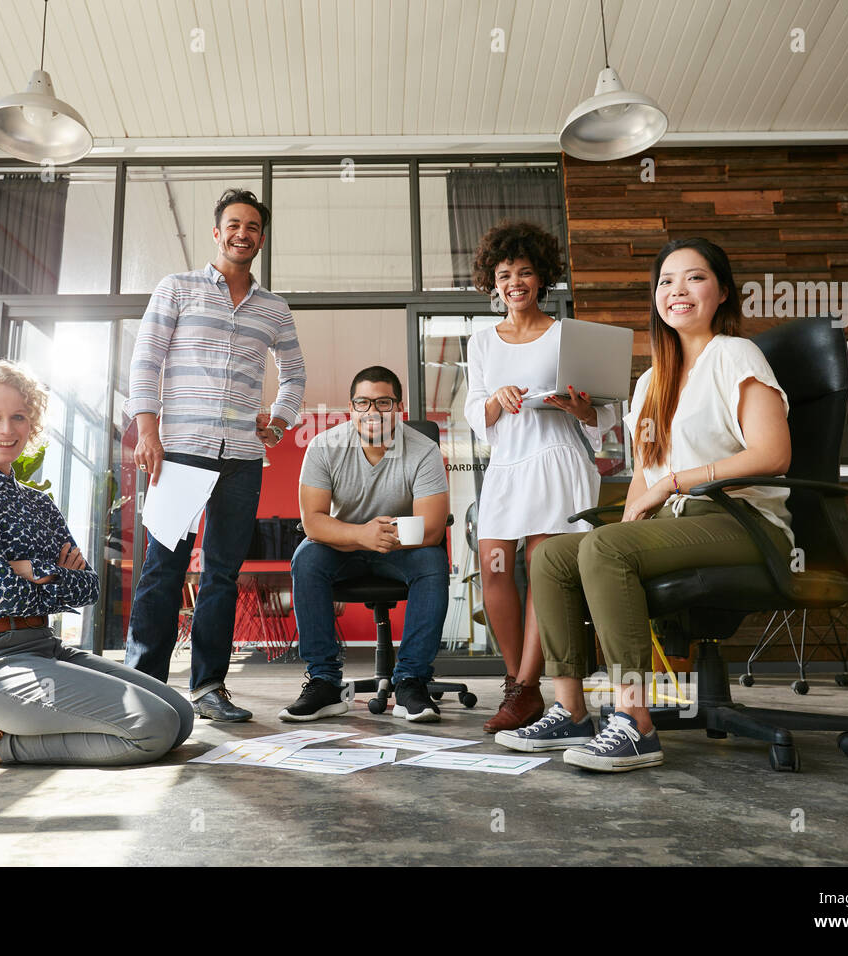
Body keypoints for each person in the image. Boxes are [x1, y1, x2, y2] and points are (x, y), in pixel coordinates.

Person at [530, 237, 795, 771]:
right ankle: (571, 709)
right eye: (666, 281)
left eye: (694, 278)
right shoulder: (652, 380)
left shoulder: (735, 354)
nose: (678, 290)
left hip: (742, 522)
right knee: (552, 555)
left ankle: (633, 722)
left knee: (603, 550)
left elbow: (773, 454)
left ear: (721, 292)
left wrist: (671, 484)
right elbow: (645, 477)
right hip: (680, 523)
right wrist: (632, 514)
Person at [0, 360, 193, 765]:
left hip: (43, 647)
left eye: (19, 417)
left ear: (32, 424)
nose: (7, 430)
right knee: (152, 728)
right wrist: (42, 574)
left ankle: (7, 725)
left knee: (182, 717)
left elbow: (89, 586)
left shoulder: (38, 502)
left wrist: (23, 569)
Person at [124, 188, 305, 722]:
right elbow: (146, 360)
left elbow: (294, 372)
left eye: (252, 226)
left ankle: (209, 687)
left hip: (242, 458)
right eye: (233, 224)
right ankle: (144, 686)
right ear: (217, 231)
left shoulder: (274, 308)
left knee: (223, 574)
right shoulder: (177, 289)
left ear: (261, 239)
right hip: (178, 451)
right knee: (164, 568)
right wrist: (147, 432)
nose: (242, 233)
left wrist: (280, 418)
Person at [462, 220, 618, 741]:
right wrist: (494, 400)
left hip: (557, 457)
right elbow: (471, 409)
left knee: (542, 568)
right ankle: (520, 685)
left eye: (525, 272)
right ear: (493, 282)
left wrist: (581, 407)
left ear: (541, 277)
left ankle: (525, 685)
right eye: (504, 274)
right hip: (508, 462)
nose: (514, 283)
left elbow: (604, 414)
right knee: (494, 564)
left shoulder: (567, 335)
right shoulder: (482, 341)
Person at [280, 366, 451, 723]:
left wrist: (380, 536)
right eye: (363, 402)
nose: (373, 411)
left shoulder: (424, 451)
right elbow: (312, 521)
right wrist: (361, 535)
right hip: (344, 548)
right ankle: (325, 683)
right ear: (351, 407)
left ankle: (410, 682)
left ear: (398, 407)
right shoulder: (324, 447)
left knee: (432, 561)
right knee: (306, 558)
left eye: (383, 402)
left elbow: (433, 528)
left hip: (401, 551)